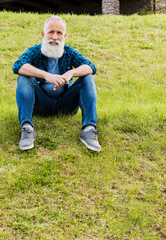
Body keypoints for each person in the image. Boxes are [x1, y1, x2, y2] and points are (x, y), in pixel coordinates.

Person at [12, 15, 101, 152]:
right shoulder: (35, 51)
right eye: (51, 32)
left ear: (64, 35)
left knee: (88, 77)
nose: (54, 37)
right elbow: (18, 66)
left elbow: (90, 67)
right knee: (24, 77)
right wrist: (47, 76)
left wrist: (70, 74)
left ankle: (89, 129)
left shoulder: (68, 51)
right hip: (40, 104)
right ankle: (27, 128)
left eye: (59, 33)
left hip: (65, 105)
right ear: (43, 34)